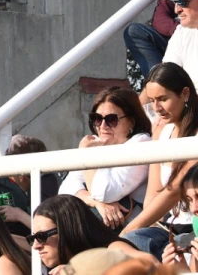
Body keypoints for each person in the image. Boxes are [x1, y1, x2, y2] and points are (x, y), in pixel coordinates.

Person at [121, 63, 198, 257]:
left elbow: (173, 191)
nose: (157, 108)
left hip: (193, 226)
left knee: (127, 240)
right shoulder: (161, 132)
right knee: (128, 245)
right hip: (169, 228)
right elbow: (153, 196)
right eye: (153, 100)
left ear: (185, 94)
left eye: (163, 99)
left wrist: (127, 232)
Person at [60, 87, 152, 228]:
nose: (103, 126)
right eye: (97, 119)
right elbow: (66, 189)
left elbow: (104, 192)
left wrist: (86, 155)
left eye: (111, 119)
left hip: (134, 229)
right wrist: (96, 202)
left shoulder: (141, 143)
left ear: (131, 122)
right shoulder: (95, 144)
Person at [28, 194, 143, 271]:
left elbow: (149, 265)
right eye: (33, 238)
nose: (36, 246)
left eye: (41, 236)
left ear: (67, 229)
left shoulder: (112, 249)